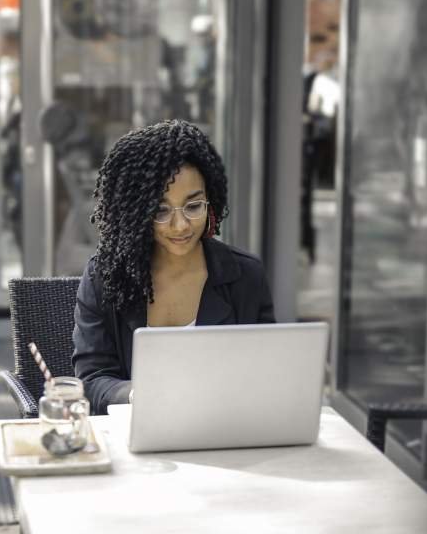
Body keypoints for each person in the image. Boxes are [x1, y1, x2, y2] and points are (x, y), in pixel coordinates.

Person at [71, 120, 276, 414]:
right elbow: (91, 380)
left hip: (225, 431)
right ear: (137, 213)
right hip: (137, 439)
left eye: (193, 207)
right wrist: (135, 394)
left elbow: (266, 375)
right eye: (160, 210)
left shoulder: (245, 276)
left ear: (211, 202)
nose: (180, 226)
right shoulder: (105, 276)